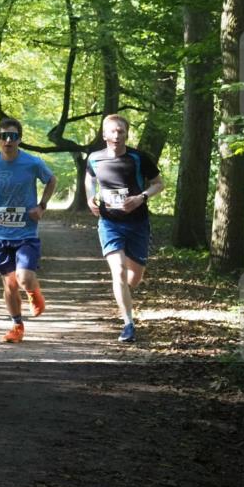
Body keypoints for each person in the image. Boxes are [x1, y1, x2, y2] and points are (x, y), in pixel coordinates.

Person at [0, 118, 56, 343]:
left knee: (24, 278)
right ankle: (17, 325)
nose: (9, 140)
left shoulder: (32, 162)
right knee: (9, 283)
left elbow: (51, 180)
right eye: (4, 136)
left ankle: (33, 291)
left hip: (26, 232)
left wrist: (42, 205)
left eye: (13, 136)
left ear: (19, 139)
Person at [85, 114, 164, 343]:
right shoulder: (94, 158)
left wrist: (141, 197)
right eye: (112, 131)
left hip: (138, 223)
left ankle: (123, 294)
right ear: (104, 134)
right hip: (109, 223)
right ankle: (128, 323)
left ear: (127, 134)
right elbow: (90, 179)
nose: (117, 135)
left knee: (134, 278)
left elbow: (159, 184)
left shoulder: (139, 158)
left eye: (121, 131)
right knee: (118, 270)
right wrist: (91, 197)